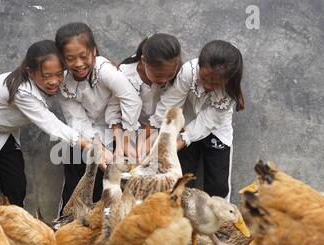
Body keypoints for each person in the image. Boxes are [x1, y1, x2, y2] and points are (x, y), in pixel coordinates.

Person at [0, 40, 93, 210]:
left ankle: (15, 226)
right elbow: (50, 123)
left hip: (5, 133)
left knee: (16, 187)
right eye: (46, 76)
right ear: (30, 72)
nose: (54, 81)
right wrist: (88, 145)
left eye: (59, 74)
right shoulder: (23, 91)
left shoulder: (58, 77)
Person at [55, 22, 142, 214]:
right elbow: (76, 120)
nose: (78, 63)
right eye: (70, 59)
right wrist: (98, 148)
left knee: (114, 193)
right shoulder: (63, 83)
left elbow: (131, 100)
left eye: (83, 56)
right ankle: (65, 226)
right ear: (62, 59)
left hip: (117, 132)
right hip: (84, 138)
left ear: (93, 51)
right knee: (77, 188)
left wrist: (124, 138)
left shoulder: (105, 70)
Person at [153, 40, 244, 200]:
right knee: (181, 181)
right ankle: (183, 221)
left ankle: (219, 223)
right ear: (199, 67)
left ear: (228, 79)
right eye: (204, 79)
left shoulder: (230, 90)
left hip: (215, 129)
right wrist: (154, 128)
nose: (208, 85)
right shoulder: (189, 71)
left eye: (215, 83)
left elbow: (207, 121)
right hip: (186, 122)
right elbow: (171, 102)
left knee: (218, 186)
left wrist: (180, 142)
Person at [107, 33, 182, 160]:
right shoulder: (125, 74)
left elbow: (172, 113)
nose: (164, 80)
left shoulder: (179, 74)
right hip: (128, 132)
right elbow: (114, 112)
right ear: (143, 61)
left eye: (169, 75)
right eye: (158, 75)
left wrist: (150, 141)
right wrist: (123, 144)